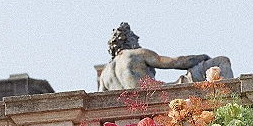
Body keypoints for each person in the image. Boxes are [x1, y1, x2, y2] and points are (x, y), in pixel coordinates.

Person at [98, 22, 234, 91]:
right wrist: (202, 57)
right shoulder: (135, 55)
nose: (137, 40)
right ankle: (232, 102)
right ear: (128, 39)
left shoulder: (104, 74)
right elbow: (176, 62)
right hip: (159, 95)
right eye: (135, 38)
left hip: (130, 110)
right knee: (221, 61)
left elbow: (98, 102)